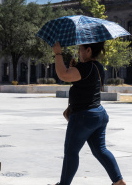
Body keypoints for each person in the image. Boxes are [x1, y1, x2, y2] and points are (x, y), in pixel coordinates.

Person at [51, 41, 126, 185]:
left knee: (71, 152)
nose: (79, 52)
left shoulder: (85, 68)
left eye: (80, 49)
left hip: (83, 116)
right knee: (100, 150)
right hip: (99, 114)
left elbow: (64, 75)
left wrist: (58, 54)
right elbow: (82, 81)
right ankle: (118, 181)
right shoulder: (97, 67)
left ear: (89, 50)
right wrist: (76, 67)